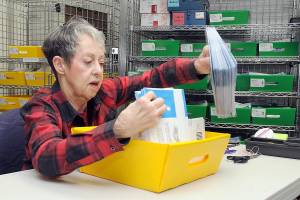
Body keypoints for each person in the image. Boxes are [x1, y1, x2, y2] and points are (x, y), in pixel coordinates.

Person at [2, 17, 210, 177]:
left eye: (101, 63)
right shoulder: (41, 106)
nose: (98, 71)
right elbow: (48, 158)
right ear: (60, 65)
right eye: (88, 61)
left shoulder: (104, 91)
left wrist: (196, 66)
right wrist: (117, 130)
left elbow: (152, 78)